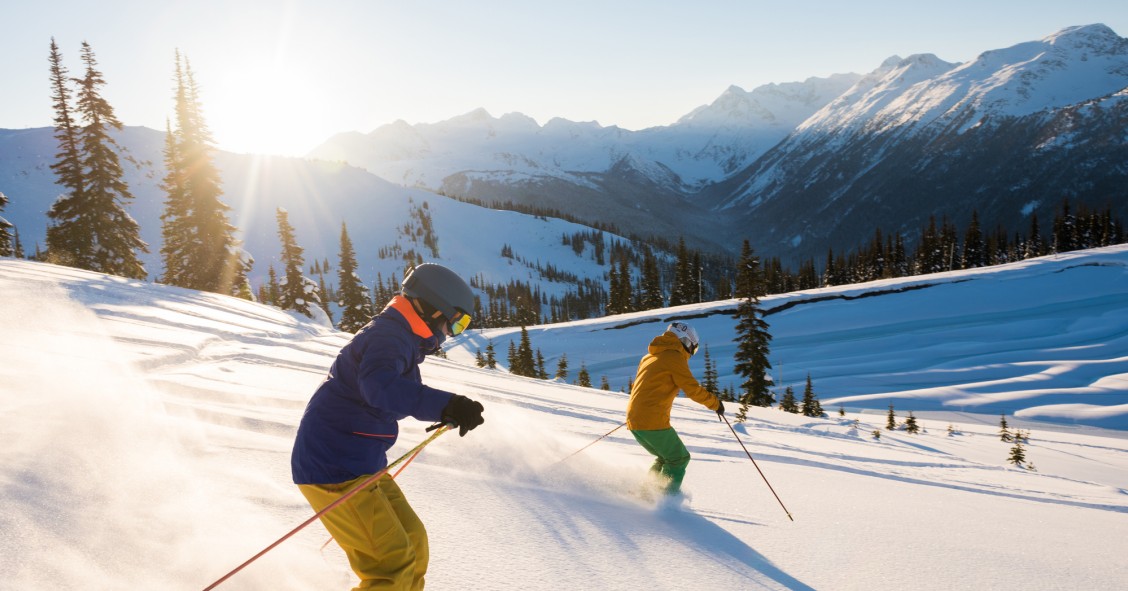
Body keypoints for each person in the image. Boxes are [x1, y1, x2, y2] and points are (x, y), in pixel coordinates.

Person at [291, 263, 485, 590]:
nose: (453, 333)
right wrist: (446, 404)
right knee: (392, 566)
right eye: (457, 322)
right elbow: (380, 387)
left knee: (414, 543)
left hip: (359, 464)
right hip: (333, 467)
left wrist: (444, 409)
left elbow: (390, 394)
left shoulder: (400, 337)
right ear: (435, 308)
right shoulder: (389, 337)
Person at [625, 321, 723, 497]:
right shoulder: (674, 357)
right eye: (693, 348)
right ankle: (665, 500)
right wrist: (715, 404)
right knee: (679, 458)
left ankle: (647, 495)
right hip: (651, 419)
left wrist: (639, 413)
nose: (691, 353)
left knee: (665, 458)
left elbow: (644, 386)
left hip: (636, 419)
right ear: (686, 341)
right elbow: (692, 389)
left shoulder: (649, 357)